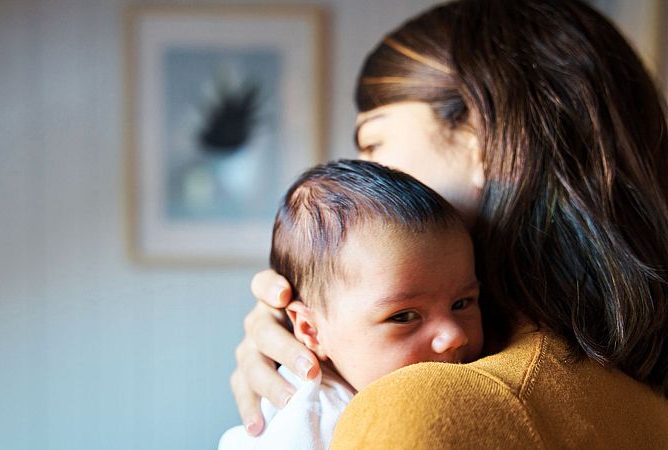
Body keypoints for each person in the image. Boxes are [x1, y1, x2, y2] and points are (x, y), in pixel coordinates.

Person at [230, 0, 668, 447]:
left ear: (487, 141)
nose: (368, 173)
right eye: (402, 315)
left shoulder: (430, 406)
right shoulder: (633, 385)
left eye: (372, 142)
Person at [219, 159, 483, 449]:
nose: (455, 335)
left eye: (462, 303)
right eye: (404, 316)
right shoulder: (312, 420)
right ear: (311, 330)